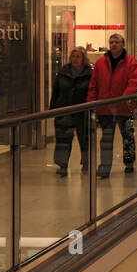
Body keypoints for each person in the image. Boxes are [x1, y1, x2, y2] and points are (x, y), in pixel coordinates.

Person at [86, 33, 137, 178]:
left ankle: (129, 162)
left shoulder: (132, 62)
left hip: (125, 108)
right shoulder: (100, 63)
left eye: (117, 42)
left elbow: (134, 82)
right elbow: (93, 85)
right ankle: (105, 167)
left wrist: (124, 98)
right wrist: (91, 102)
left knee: (128, 137)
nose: (114, 44)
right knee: (106, 139)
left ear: (123, 44)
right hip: (105, 108)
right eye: (111, 42)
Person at [49, 46, 92, 176]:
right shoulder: (63, 72)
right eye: (73, 56)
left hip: (82, 112)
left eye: (78, 56)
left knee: (85, 139)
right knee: (63, 139)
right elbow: (56, 91)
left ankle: (86, 163)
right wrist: (53, 109)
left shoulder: (89, 73)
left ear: (83, 59)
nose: (75, 59)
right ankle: (62, 165)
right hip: (64, 110)